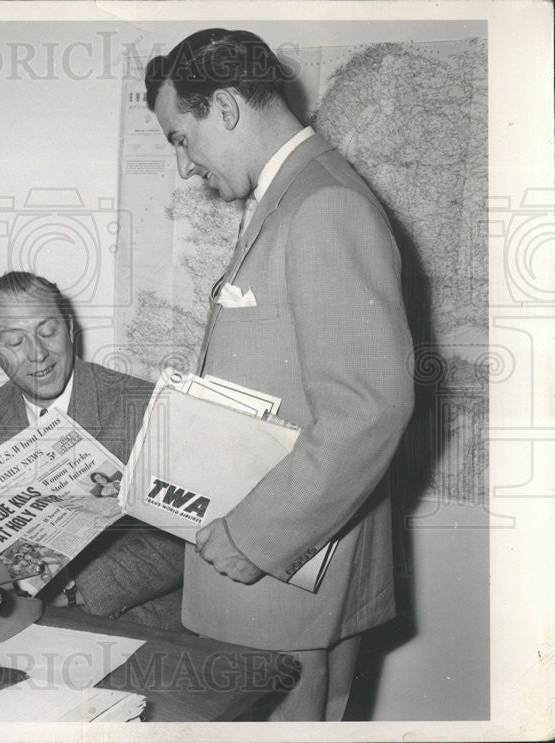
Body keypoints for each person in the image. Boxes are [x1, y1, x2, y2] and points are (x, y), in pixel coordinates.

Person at [145, 29, 414, 720]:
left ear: (227, 107)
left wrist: (252, 536)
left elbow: (368, 409)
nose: (184, 164)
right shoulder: (292, 194)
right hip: (280, 574)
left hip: (281, 571)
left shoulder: (324, 204)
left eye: (181, 137)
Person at [0, 271, 184, 628]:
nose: (38, 353)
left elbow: (181, 542)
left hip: (127, 618)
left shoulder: (143, 405)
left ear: (70, 328)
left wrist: (77, 589)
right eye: (15, 341)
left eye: (48, 331)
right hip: (15, 615)